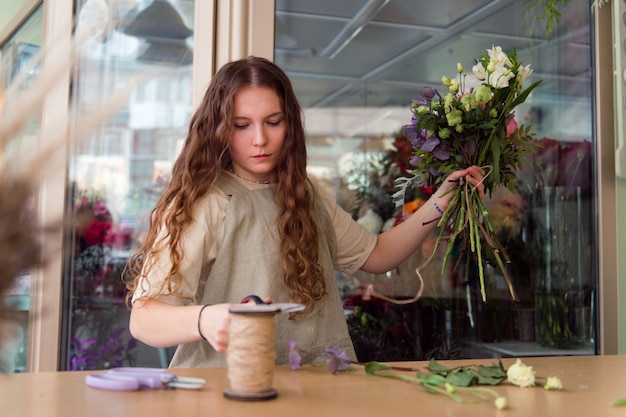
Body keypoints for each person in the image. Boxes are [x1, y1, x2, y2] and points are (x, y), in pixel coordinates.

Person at [125, 56, 485, 368]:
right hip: (230, 393)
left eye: (273, 121)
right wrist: (205, 319)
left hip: (317, 390)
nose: (260, 139)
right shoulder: (207, 200)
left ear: (291, 125)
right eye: (241, 125)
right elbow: (143, 319)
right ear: (218, 128)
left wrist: (442, 201)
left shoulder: (308, 192)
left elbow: (376, 254)